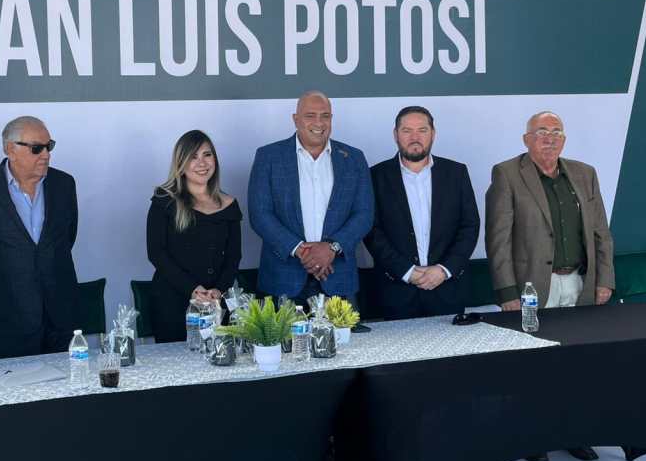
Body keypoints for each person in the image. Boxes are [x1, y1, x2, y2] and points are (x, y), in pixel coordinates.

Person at [485, 110, 615, 461]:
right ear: (526, 139)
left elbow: (601, 232)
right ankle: (532, 436)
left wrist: (605, 279)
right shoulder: (507, 174)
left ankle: (574, 433)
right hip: (531, 289)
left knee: (577, 364)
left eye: (556, 131)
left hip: (579, 283)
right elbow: (498, 239)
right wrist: (507, 292)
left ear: (564, 139)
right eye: (541, 131)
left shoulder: (585, 173)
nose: (549, 137)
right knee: (533, 365)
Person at [0, 116, 78, 358]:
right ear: (10, 150)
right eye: (36, 148)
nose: (45, 155)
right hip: (7, 316)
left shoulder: (64, 184)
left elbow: (67, 238)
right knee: (15, 382)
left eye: (49, 146)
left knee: (67, 381)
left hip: (60, 313)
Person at [248, 91, 373, 303]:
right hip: (282, 279)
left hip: (338, 278)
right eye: (310, 115)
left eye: (325, 116)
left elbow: (364, 214)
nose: (319, 122)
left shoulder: (353, 158)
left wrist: (332, 248)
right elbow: (260, 214)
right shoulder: (268, 156)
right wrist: (300, 250)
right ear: (295, 119)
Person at [364, 106, 480, 319]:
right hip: (396, 292)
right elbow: (371, 231)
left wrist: (444, 269)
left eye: (422, 130)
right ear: (395, 135)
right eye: (407, 130)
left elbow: (469, 226)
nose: (414, 137)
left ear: (433, 134)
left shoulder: (456, 173)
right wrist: (407, 271)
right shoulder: (375, 176)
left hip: (448, 290)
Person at [146, 130, 242, 343]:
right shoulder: (164, 200)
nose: (202, 163)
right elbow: (156, 253)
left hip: (216, 302)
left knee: (219, 358)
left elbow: (234, 257)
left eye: (207, 155)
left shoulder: (229, 204)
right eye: (193, 157)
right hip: (172, 301)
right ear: (181, 163)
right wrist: (193, 290)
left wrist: (218, 290)